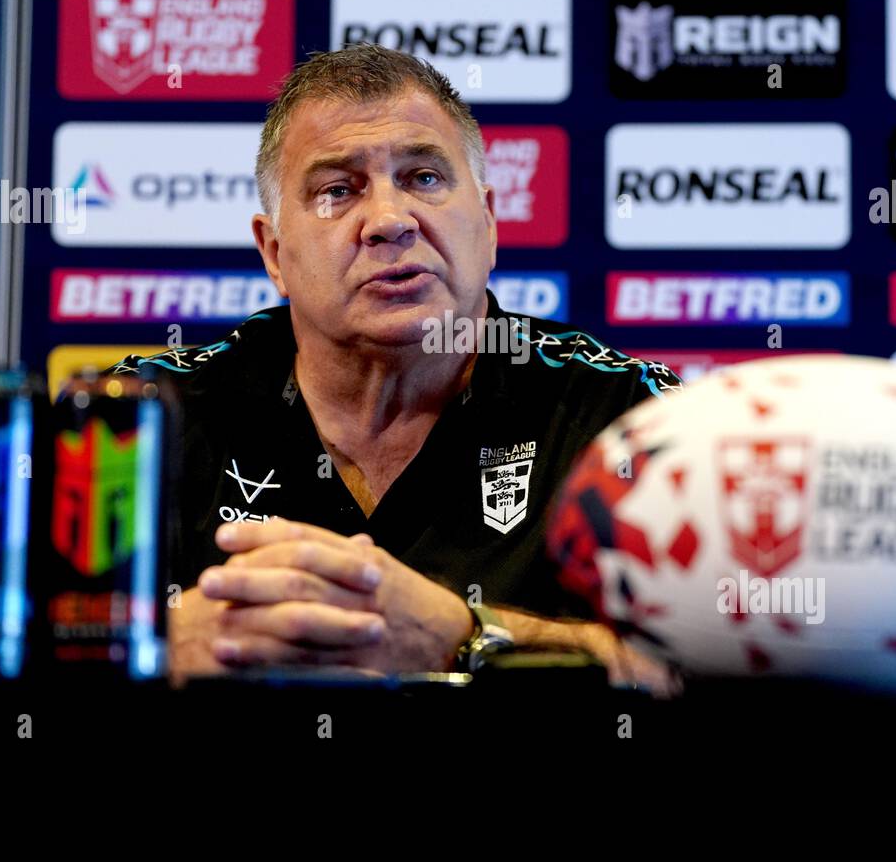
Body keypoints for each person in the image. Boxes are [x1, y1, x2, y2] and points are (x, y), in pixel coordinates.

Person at [110, 44, 683, 694]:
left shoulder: (628, 417)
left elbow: (740, 678)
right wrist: (152, 645)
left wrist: (464, 635)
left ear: (490, 223)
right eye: (337, 190)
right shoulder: (147, 417)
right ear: (275, 253)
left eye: (424, 178)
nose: (389, 220)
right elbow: (0, 652)